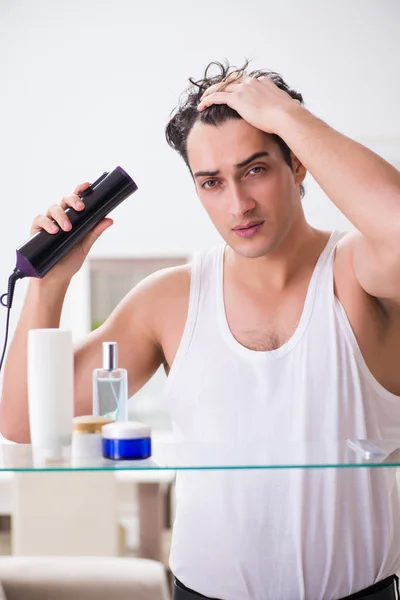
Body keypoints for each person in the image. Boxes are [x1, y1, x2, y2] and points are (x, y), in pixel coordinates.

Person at [1, 60, 400, 599]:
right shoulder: (171, 298)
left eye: (255, 169)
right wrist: (50, 283)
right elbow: (22, 420)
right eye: (212, 182)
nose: (238, 204)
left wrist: (286, 115)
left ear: (298, 164)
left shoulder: (358, 275)